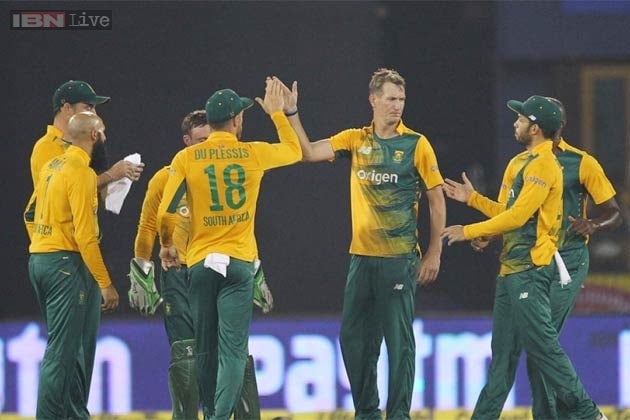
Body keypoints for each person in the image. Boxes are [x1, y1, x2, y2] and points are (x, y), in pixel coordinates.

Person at [277, 68, 446, 418]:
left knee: (399, 344)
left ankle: (398, 415)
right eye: (391, 99)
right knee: (353, 339)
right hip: (361, 259)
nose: (397, 106)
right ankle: (367, 412)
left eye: (401, 99)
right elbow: (308, 152)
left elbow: (436, 200)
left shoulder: (416, 144)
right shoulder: (355, 139)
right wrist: (291, 113)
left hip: (399, 259)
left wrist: (434, 253)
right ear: (373, 100)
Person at [448, 98, 621, 419]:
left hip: (565, 261)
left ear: (541, 126)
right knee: (515, 353)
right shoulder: (519, 163)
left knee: (541, 347)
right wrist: (479, 211)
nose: (515, 122)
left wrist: (594, 224)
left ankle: (580, 414)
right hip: (525, 261)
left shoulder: (580, 163)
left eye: (521, 118)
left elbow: (614, 212)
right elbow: (510, 214)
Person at [157, 79, 301, 419]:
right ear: (237, 120)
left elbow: (165, 213)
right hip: (237, 264)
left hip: (200, 264)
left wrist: (166, 245)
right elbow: (294, 150)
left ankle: (210, 412)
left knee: (205, 349)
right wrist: (278, 114)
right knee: (233, 351)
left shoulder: (186, 157)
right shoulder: (252, 153)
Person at [25, 111, 120, 419]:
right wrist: (106, 284)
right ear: (93, 135)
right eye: (103, 132)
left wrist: (43, 244)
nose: (105, 138)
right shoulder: (81, 172)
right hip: (65, 265)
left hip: (41, 259)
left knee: (68, 349)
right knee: (62, 354)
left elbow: (29, 214)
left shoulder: (53, 166)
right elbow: (86, 237)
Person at [130, 110, 210, 419]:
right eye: (200, 140)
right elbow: (147, 227)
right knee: (185, 353)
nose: (207, 146)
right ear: (186, 140)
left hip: (213, 271)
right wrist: (141, 271)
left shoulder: (221, 175)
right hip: (177, 275)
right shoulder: (164, 179)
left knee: (219, 352)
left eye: (211, 139)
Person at [29, 80, 144, 190]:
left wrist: (120, 177)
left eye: (94, 108)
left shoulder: (77, 146)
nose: (94, 114)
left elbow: (85, 189)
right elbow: (63, 191)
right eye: (88, 107)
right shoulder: (47, 146)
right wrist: (110, 175)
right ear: (67, 108)